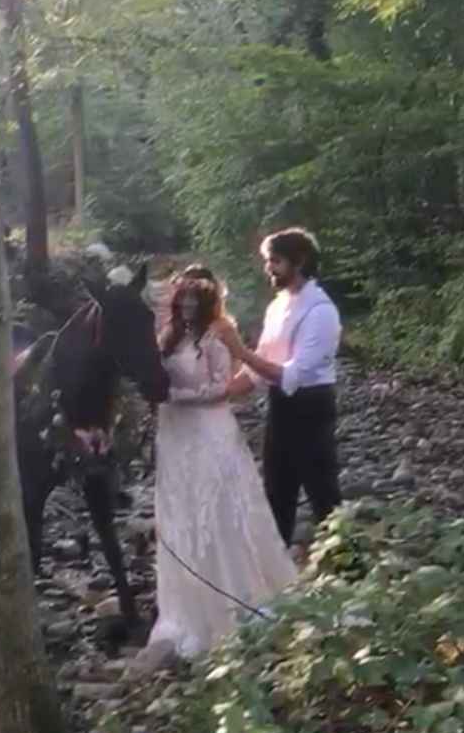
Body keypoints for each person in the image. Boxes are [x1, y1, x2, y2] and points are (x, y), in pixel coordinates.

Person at [143, 272, 296, 661]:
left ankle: (232, 603)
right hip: (175, 436)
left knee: (219, 511)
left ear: (208, 304)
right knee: (181, 513)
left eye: (195, 301)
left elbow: (221, 388)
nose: (187, 307)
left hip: (208, 432)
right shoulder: (169, 337)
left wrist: (174, 396)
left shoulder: (217, 337)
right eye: (183, 301)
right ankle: (184, 608)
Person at [219, 228, 342, 548]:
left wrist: (237, 349)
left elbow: (293, 375)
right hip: (281, 408)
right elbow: (261, 363)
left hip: (312, 406)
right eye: (267, 261)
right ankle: (276, 584)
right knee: (275, 494)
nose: (268, 268)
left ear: (299, 261)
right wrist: (221, 392)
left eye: (275, 261)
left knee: (324, 496)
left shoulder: (321, 311)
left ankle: (349, 577)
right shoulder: (277, 307)